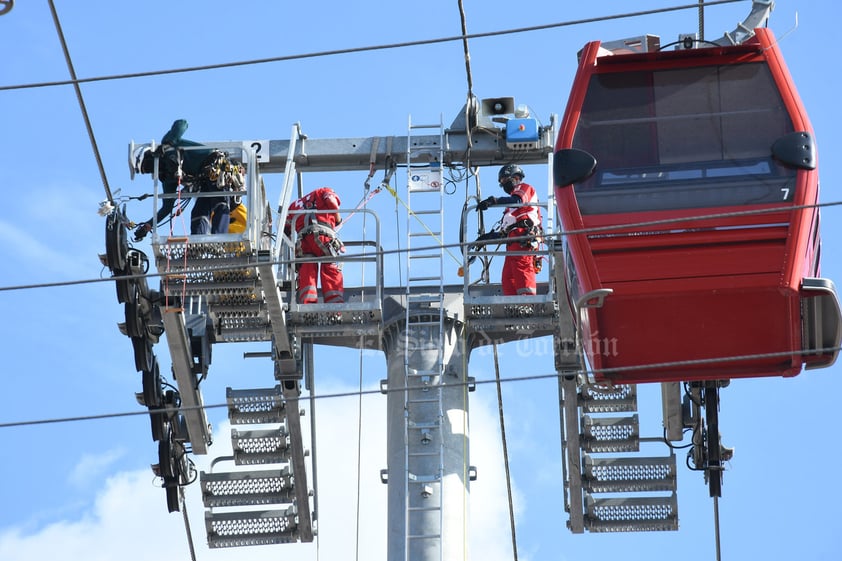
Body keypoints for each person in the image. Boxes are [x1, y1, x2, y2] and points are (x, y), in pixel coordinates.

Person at [132, 119, 215, 241]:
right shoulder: (167, 179)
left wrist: (169, 143)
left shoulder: (166, 146)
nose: (151, 170)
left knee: (220, 205)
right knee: (198, 214)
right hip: (204, 181)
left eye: (148, 166)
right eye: (147, 171)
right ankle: (197, 244)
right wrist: (148, 226)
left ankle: (217, 234)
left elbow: (183, 123)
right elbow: (167, 208)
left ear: (150, 155)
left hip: (211, 163)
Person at [476, 164, 542, 296]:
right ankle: (512, 306)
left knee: (522, 268)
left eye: (506, 180)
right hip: (512, 241)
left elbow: (518, 200)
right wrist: (485, 239)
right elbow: (503, 234)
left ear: (516, 177)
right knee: (508, 277)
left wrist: (494, 201)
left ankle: (527, 303)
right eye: (502, 183)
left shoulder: (524, 188)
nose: (504, 184)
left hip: (523, 236)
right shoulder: (509, 209)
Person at [284, 187, 345, 304]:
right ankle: (335, 306)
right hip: (323, 237)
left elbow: (286, 230)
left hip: (304, 242)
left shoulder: (293, 205)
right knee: (330, 266)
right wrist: (338, 220)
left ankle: (308, 305)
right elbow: (332, 202)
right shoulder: (323, 191)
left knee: (307, 269)